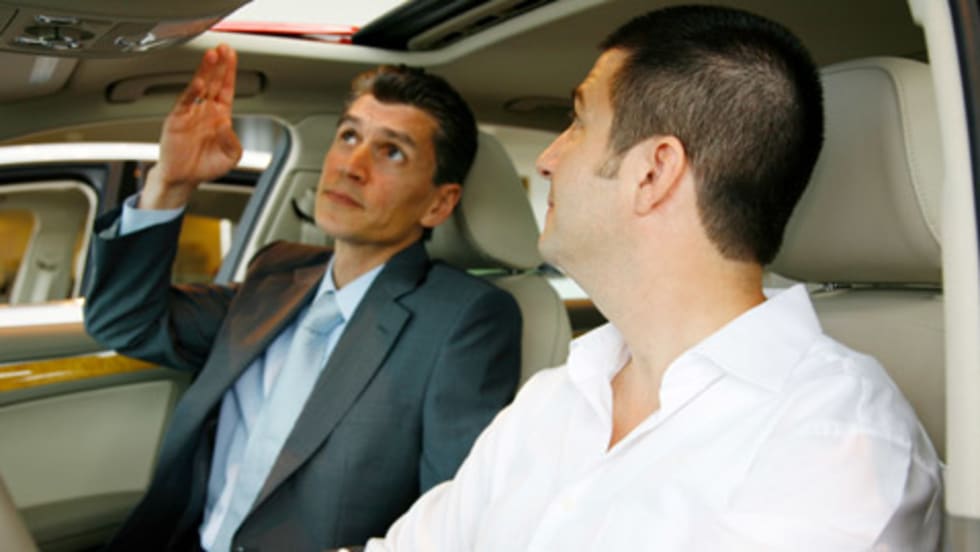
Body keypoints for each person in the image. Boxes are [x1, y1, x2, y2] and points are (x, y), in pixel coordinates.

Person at [358, 5, 942, 551]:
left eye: (577, 122)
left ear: (654, 172)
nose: (547, 159)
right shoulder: (554, 397)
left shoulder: (836, 438)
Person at [83, 44, 522, 551]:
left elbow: (449, 525)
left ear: (438, 204)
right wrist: (170, 184)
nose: (352, 165)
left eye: (392, 152)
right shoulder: (277, 272)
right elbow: (124, 322)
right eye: (349, 136)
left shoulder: (463, 319)